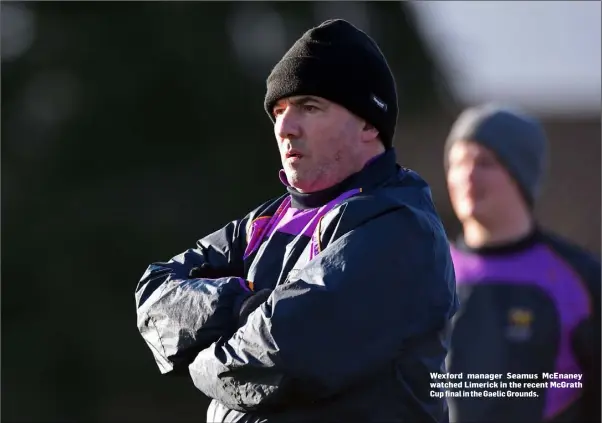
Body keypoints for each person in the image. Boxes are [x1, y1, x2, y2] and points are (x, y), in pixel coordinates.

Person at [135, 19, 458, 422]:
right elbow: (154, 296)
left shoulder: (402, 229)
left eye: (309, 107)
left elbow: (283, 352)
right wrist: (248, 306)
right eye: (279, 111)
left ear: (369, 122)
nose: (285, 128)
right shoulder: (267, 220)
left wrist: (200, 361)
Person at [443, 104, 601, 423]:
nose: (467, 175)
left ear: (521, 174)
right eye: (458, 162)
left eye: (485, 162)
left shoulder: (581, 278)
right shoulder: (424, 272)